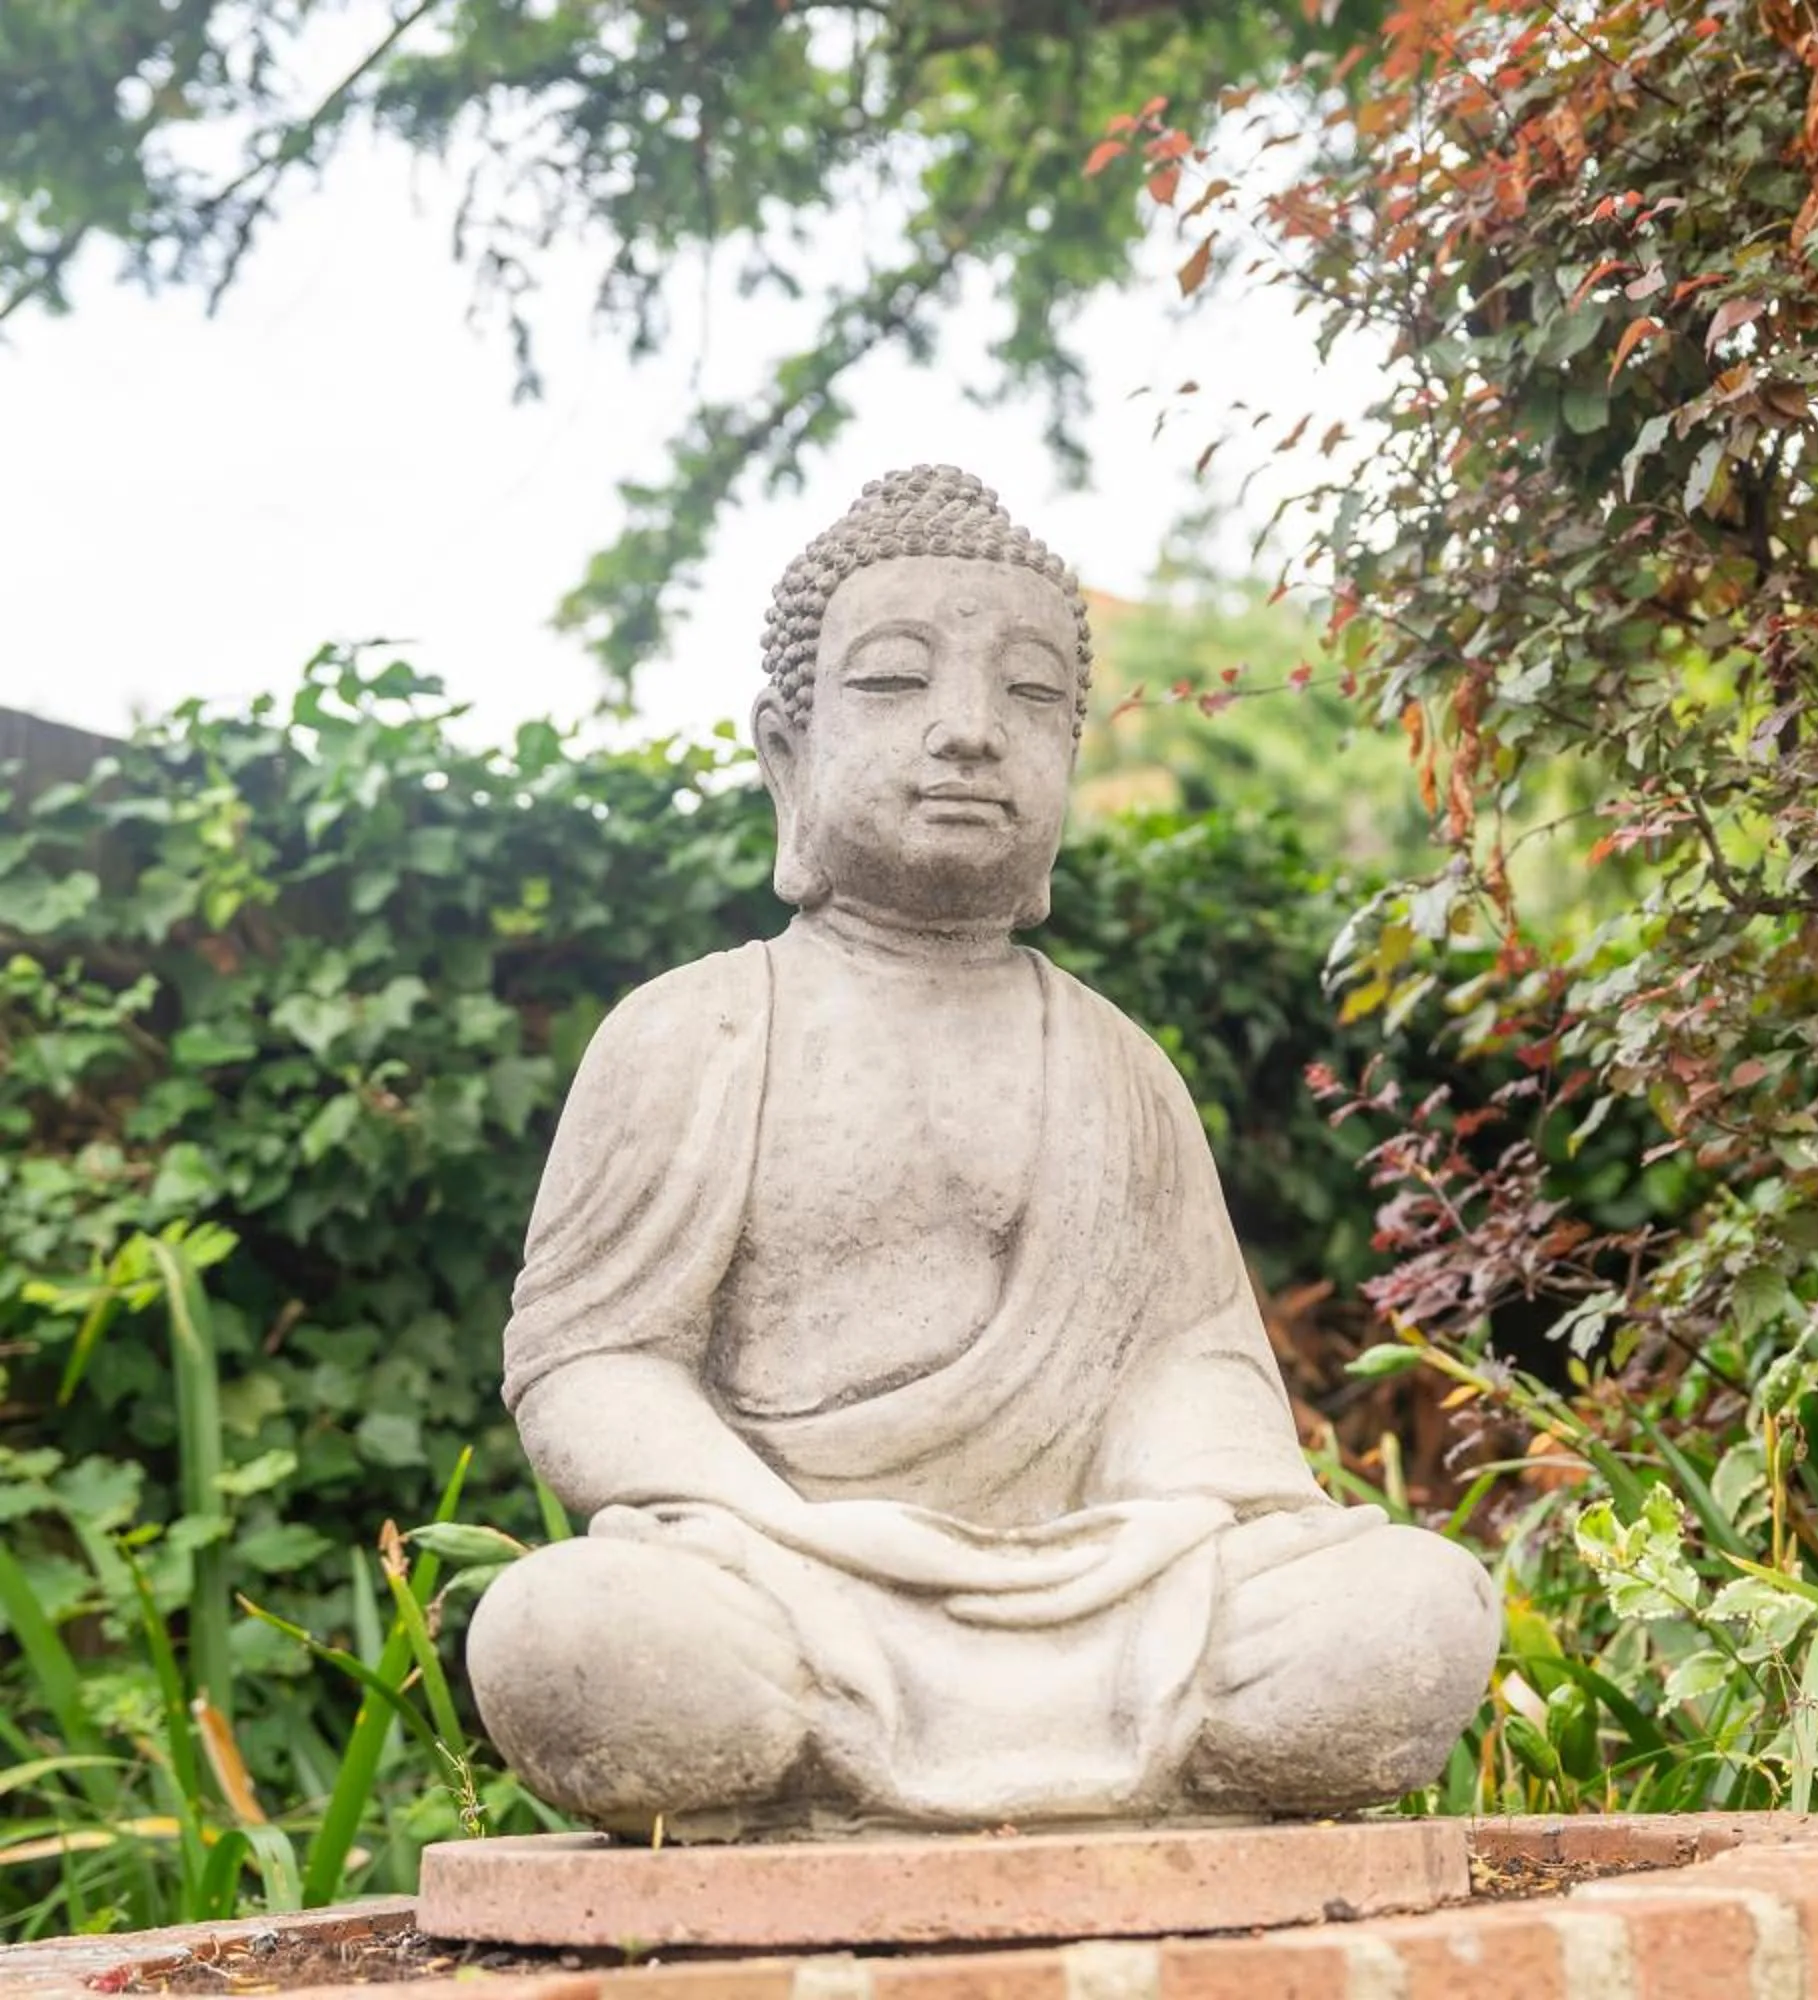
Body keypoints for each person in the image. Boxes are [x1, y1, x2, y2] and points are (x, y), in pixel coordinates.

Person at [463, 466, 1499, 1839]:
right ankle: (834, 1728)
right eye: (896, 684)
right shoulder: (695, 1031)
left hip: (1106, 1602)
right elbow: (593, 1362)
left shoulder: (1121, 1067)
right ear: (787, 751)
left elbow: (1188, 1364)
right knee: (571, 1633)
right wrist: (777, 1530)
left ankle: (1162, 1734)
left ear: (1069, 748)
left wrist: (1194, 1528)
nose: (968, 734)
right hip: (785, 1582)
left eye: (1028, 698)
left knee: (1410, 1611)